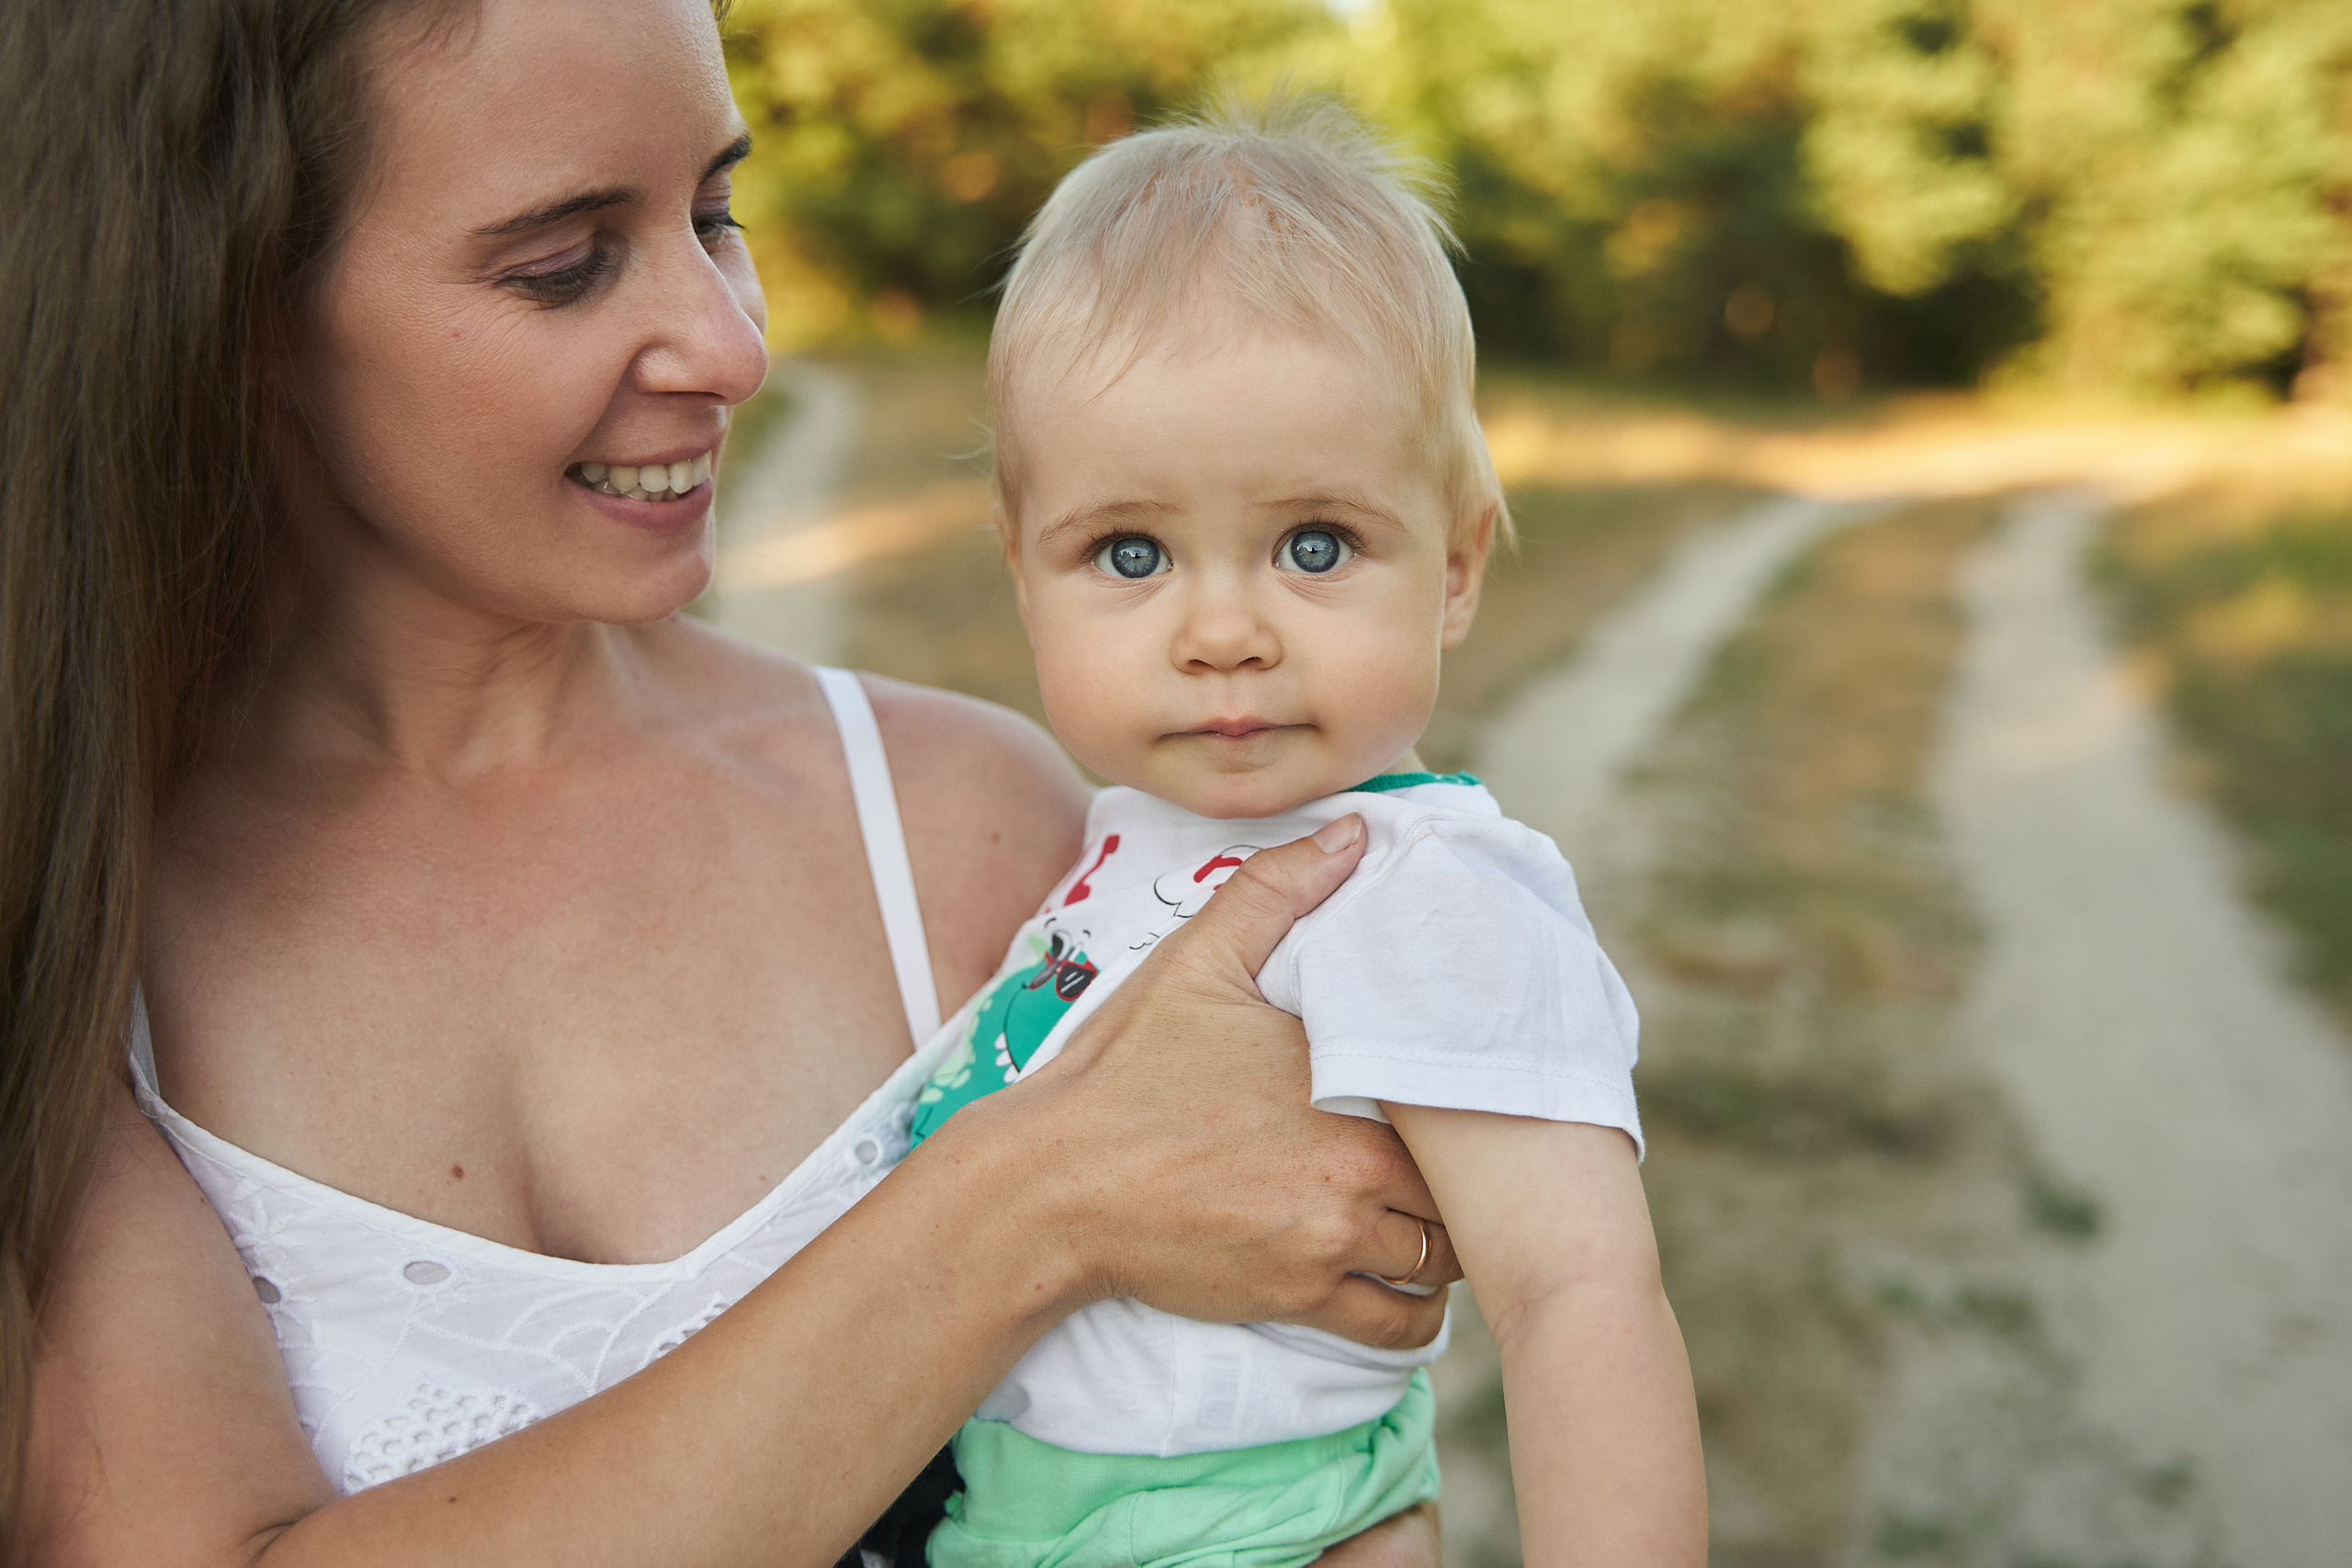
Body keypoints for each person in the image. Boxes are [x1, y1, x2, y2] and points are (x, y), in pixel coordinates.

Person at [0, 4, 1467, 1563]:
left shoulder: (970, 825)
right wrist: (1027, 1206)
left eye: (715, 213)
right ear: (228, 307)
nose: (732, 346)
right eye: (564, 262)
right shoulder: (62, 927)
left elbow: (1310, 1474)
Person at [899, 100, 1709, 1566]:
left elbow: (1575, 1296)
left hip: (1242, 1528)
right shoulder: (1130, 832)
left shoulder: (1419, 892)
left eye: (1313, 546)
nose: (1222, 634)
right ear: (1024, 572)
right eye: (1129, 554)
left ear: (1454, 568)